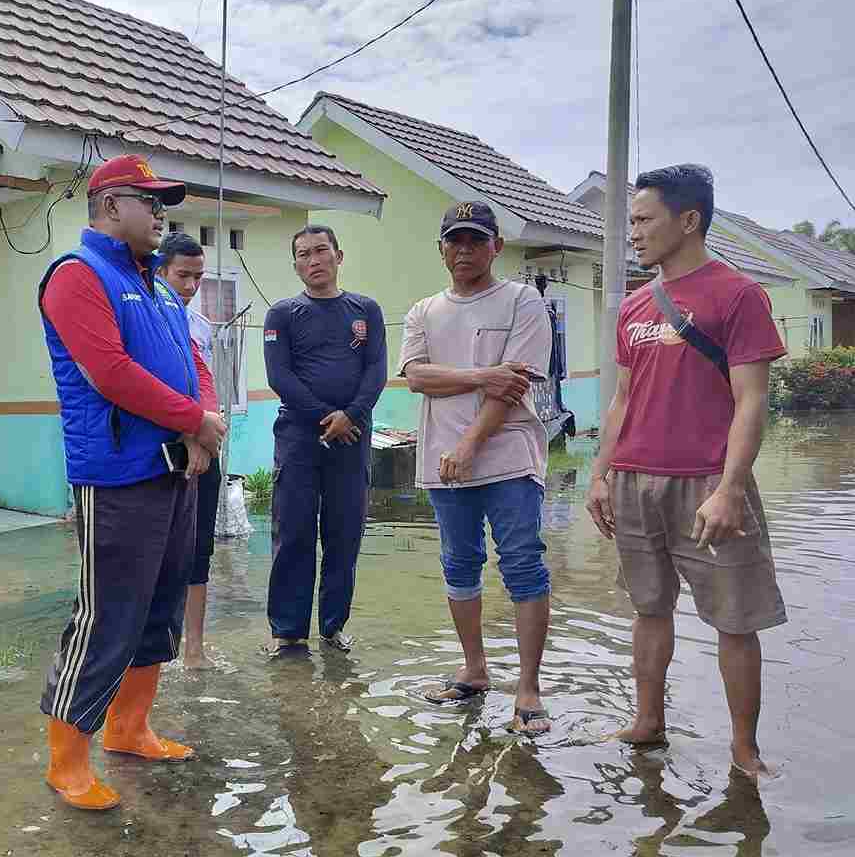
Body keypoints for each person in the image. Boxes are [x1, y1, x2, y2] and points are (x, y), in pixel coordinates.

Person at [585, 164, 787, 780]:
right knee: (648, 608)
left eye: (644, 220)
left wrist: (729, 489)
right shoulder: (636, 304)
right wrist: (600, 473)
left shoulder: (738, 295)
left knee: (735, 617)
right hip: (634, 477)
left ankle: (744, 749)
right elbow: (622, 398)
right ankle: (648, 722)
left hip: (707, 481)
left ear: (689, 220)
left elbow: (752, 399)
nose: (634, 233)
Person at [37, 154, 227, 810]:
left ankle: (129, 727)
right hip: (116, 475)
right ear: (111, 205)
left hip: (174, 471)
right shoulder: (76, 275)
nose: (160, 213)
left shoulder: (153, 284)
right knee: (105, 617)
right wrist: (195, 419)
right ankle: (66, 760)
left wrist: (200, 427)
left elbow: (193, 359)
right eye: (150, 202)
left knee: (159, 608)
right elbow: (109, 373)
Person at [399, 201, 554, 734]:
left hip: (508, 456)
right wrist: (483, 373)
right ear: (442, 248)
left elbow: (514, 387)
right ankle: (475, 669)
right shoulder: (424, 311)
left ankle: (529, 688)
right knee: (458, 564)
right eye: (454, 241)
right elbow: (416, 377)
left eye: (475, 240)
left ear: (496, 246)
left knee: (522, 564)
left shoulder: (522, 302)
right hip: (444, 463)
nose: (463, 250)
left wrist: (468, 444)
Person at [263, 225, 386, 655]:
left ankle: (333, 628)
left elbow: (376, 372)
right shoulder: (282, 314)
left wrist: (350, 416)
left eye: (320, 251)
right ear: (296, 265)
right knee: (293, 532)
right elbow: (279, 376)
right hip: (299, 436)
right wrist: (325, 417)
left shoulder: (365, 310)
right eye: (303, 254)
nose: (313, 260)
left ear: (339, 255)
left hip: (352, 437)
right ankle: (287, 632)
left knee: (344, 532)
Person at [157, 232, 222, 670]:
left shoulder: (199, 326)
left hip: (204, 444)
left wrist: (205, 434)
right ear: (160, 270)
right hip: (161, 450)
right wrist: (186, 433)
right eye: (183, 275)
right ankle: (154, 650)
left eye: (198, 277)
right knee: (159, 553)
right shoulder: (146, 319)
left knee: (199, 549)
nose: (190, 286)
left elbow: (205, 381)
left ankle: (194, 649)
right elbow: (153, 386)